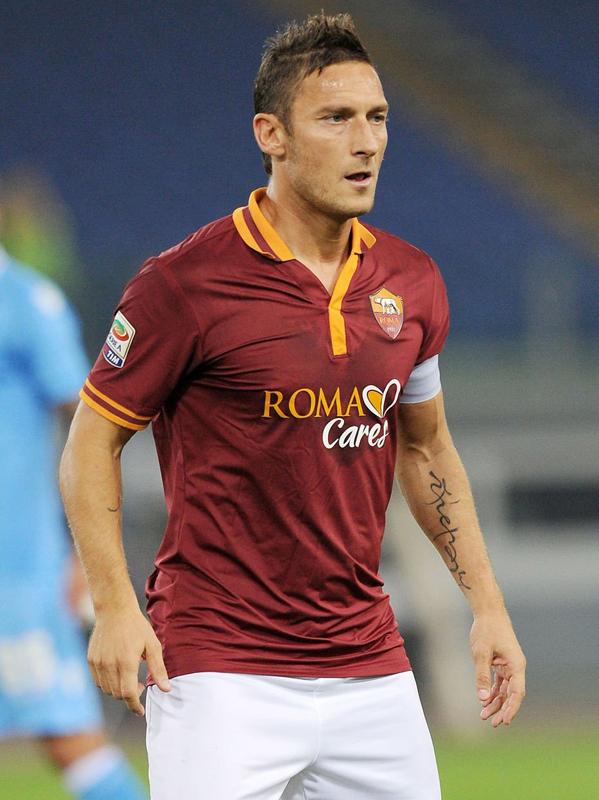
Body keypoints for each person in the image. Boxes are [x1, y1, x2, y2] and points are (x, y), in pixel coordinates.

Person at [60, 12, 526, 800]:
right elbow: (89, 443)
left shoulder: (411, 283)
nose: (366, 142)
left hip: (369, 670)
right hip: (218, 672)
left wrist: (487, 605)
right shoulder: (183, 285)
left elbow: (424, 449)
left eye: (377, 117)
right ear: (270, 134)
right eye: (335, 118)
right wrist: (112, 606)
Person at [0, 240, 147, 799]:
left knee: (67, 735)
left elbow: (91, 432)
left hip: (14, 569)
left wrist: (84, 555)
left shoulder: (24, 301)